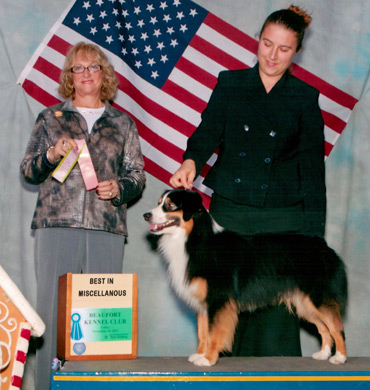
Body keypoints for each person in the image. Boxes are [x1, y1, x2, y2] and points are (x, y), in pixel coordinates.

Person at [170, 5, 325, 357]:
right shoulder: (231, 83)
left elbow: (313, 174)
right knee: (224, 311)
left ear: (297, 51)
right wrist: (191, 160)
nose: (272, 55)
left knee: (275, 332)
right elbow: (207, 132)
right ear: (258, 40)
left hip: (282, 225)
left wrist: (313, 239)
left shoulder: (304, 97)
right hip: (231, 218)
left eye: (283, 49)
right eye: (266, 44)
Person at [20, 42, 145, 389]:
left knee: (103, 321)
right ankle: (47, 385)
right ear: (69, 76)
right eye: (79, 68)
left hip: (106, 228)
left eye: (93, 67)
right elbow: (29, 170)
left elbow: (137, 176)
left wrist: (119, 188)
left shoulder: (123, 123)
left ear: (104, 74)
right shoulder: (50, 118)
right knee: (51, 316)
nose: (86, 74)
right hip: (55, 225)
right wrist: (49, 154)